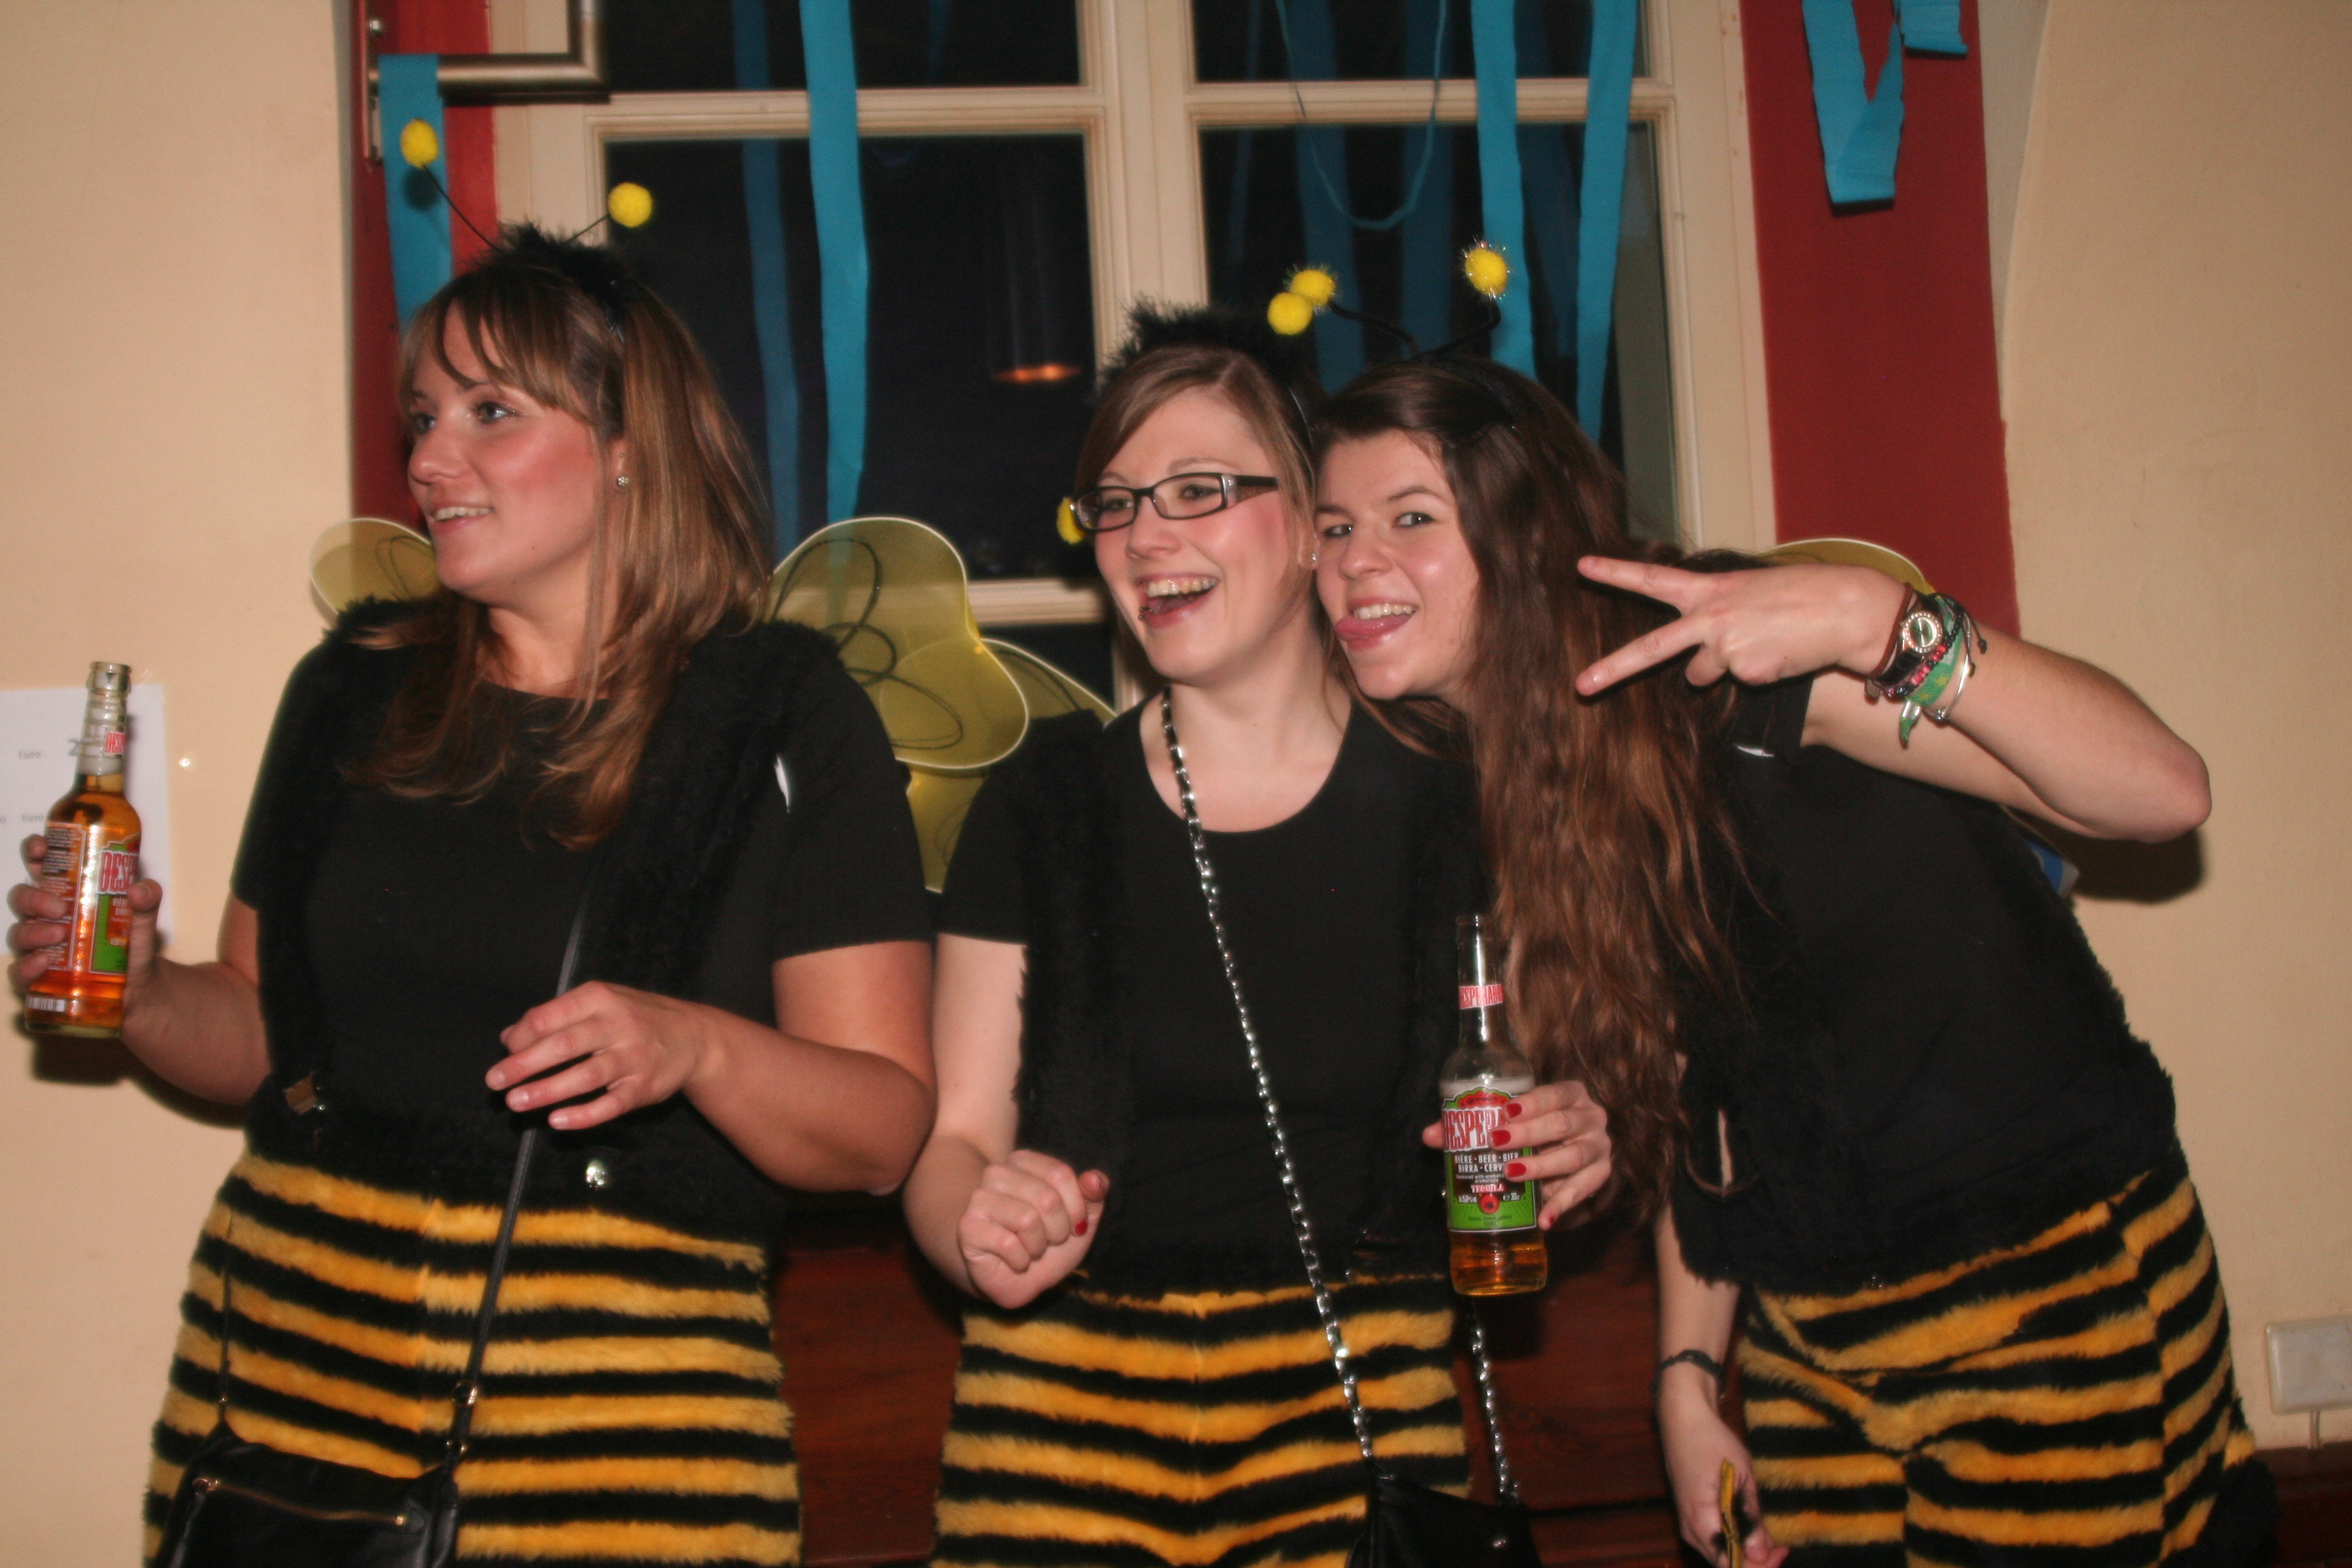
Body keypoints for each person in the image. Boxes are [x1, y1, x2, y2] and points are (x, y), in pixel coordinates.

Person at [7, 228, 936, 1567]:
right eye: (424, 418)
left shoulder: (780, 713)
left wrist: (695, 1047)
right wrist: (141, 991)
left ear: (629, 444)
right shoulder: (353, 687)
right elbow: (261, 1032)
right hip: (294, 1399)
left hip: (627, 1433)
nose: (433, 460)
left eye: (492, 412)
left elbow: (881, 1134)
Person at [1311, 356, 2272, 1568]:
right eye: (1334, 528)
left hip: (2045, 1282)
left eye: (1410, 518)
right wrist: (1685, 1377)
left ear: (1528, 531)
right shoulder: (1497, 788)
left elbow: (2160, 793)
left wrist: (1881, 622)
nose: (1355, 561)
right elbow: (1712, 1096)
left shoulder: (1715, 658)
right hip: (1812, 1335)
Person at [900, 310, 1615, 1568]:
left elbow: (1545, 1095)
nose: (1145, 536)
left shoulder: (1461, 800)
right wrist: (978, 1230)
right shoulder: (1044, 802)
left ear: (1309, 522)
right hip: (1059, 1439)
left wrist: (1578, 1138)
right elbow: (953, 1142)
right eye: (1115, 503)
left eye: (1198, 490)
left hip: (1356, 1448)